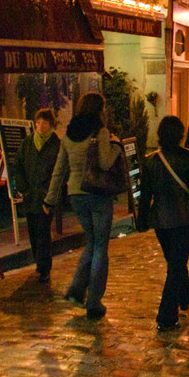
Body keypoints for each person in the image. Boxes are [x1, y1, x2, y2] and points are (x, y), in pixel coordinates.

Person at [43, 92, 121, 321]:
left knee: (91, 241)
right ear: (99, 110)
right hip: (97, 194)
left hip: (75, 194)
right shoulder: (100, 132)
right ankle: (94, 302)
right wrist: (116, 145)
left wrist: (50, 199)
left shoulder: (69, 134)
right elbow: (105, 162)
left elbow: (59, 170)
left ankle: (77, 290)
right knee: (100, 247)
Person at [140, 116, 189, 332]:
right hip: (184, 220)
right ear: (181, 135)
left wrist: (142, 219)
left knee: (175, 263)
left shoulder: (151, 160)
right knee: (175, 266)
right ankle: (166, 315)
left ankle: (185, 294)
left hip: (161, 221)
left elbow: (145, 194)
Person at [10, 108, 60, 283]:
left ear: (50, 125)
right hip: (30, 195)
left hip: (47, 196)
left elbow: (59, 170)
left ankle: (44, 266)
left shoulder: (55, 143)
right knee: (32, 229)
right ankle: (38, 262)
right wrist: (24, 188)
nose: (40, 126)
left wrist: (50, 191)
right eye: (37, 123)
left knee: (43, 230)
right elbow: (18, 166)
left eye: (44, 123)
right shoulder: (28, 143)